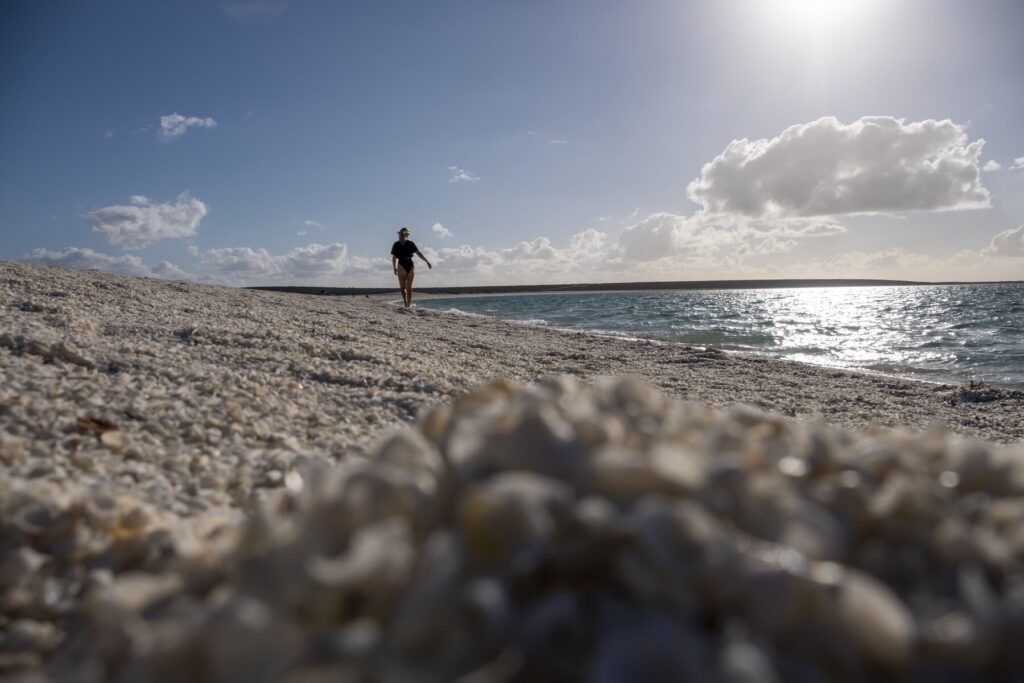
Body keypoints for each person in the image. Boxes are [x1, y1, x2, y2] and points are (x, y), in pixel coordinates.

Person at [391, 226, 431, 308]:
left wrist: (394, 268)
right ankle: (408, 305)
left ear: (399, 235)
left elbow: (394, 257)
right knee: (409, 288)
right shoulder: (410, 243)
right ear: (407, 235)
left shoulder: (396, 244)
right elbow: (418, 253)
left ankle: (405, 302)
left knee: (403, 288)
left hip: (401, 264)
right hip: (410, 264)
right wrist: (427, 261)